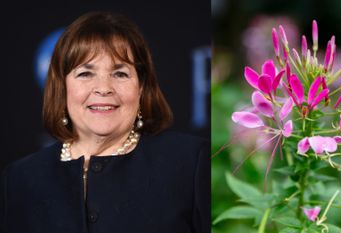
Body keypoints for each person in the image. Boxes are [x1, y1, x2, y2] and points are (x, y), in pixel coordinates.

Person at [0, 11, 210, 233]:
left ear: (140, 87)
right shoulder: (19, 179)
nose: (103, 88)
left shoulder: (190, 163)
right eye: (85, 74)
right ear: (62, 87)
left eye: (120, 74)